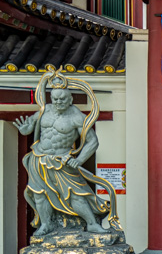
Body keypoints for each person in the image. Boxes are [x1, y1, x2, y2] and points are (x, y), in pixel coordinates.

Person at [15, 85, 109, 235]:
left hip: (61, 161)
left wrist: (79, 160)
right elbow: (30, 126)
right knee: (39, 193)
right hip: (39, 157)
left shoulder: (77, 116)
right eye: (55, 98)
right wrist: (25, 130)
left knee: (75, 193)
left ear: (70, 99)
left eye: (62, 98)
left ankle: (91, 223)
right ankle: (46, 224)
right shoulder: (44, 111)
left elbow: (93, 141)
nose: (58, 102)